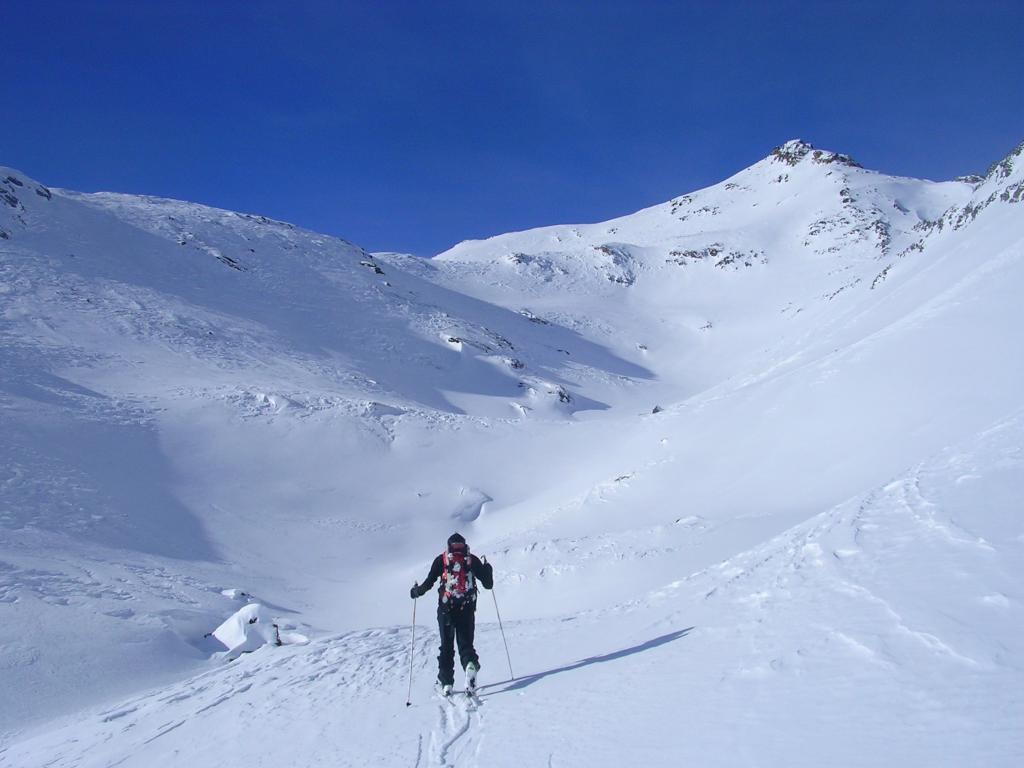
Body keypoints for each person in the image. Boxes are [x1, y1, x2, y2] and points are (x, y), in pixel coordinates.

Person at [410, 532, 494, 695]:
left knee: (446, 646)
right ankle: (470, 665)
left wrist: (415, 591)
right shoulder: (471, 560)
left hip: (445, 609)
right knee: (466, 644)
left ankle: (446, 682)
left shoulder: (442, 560)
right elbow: (488, 584)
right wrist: (487, 568)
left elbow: (428, 583)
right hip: (467, 607)